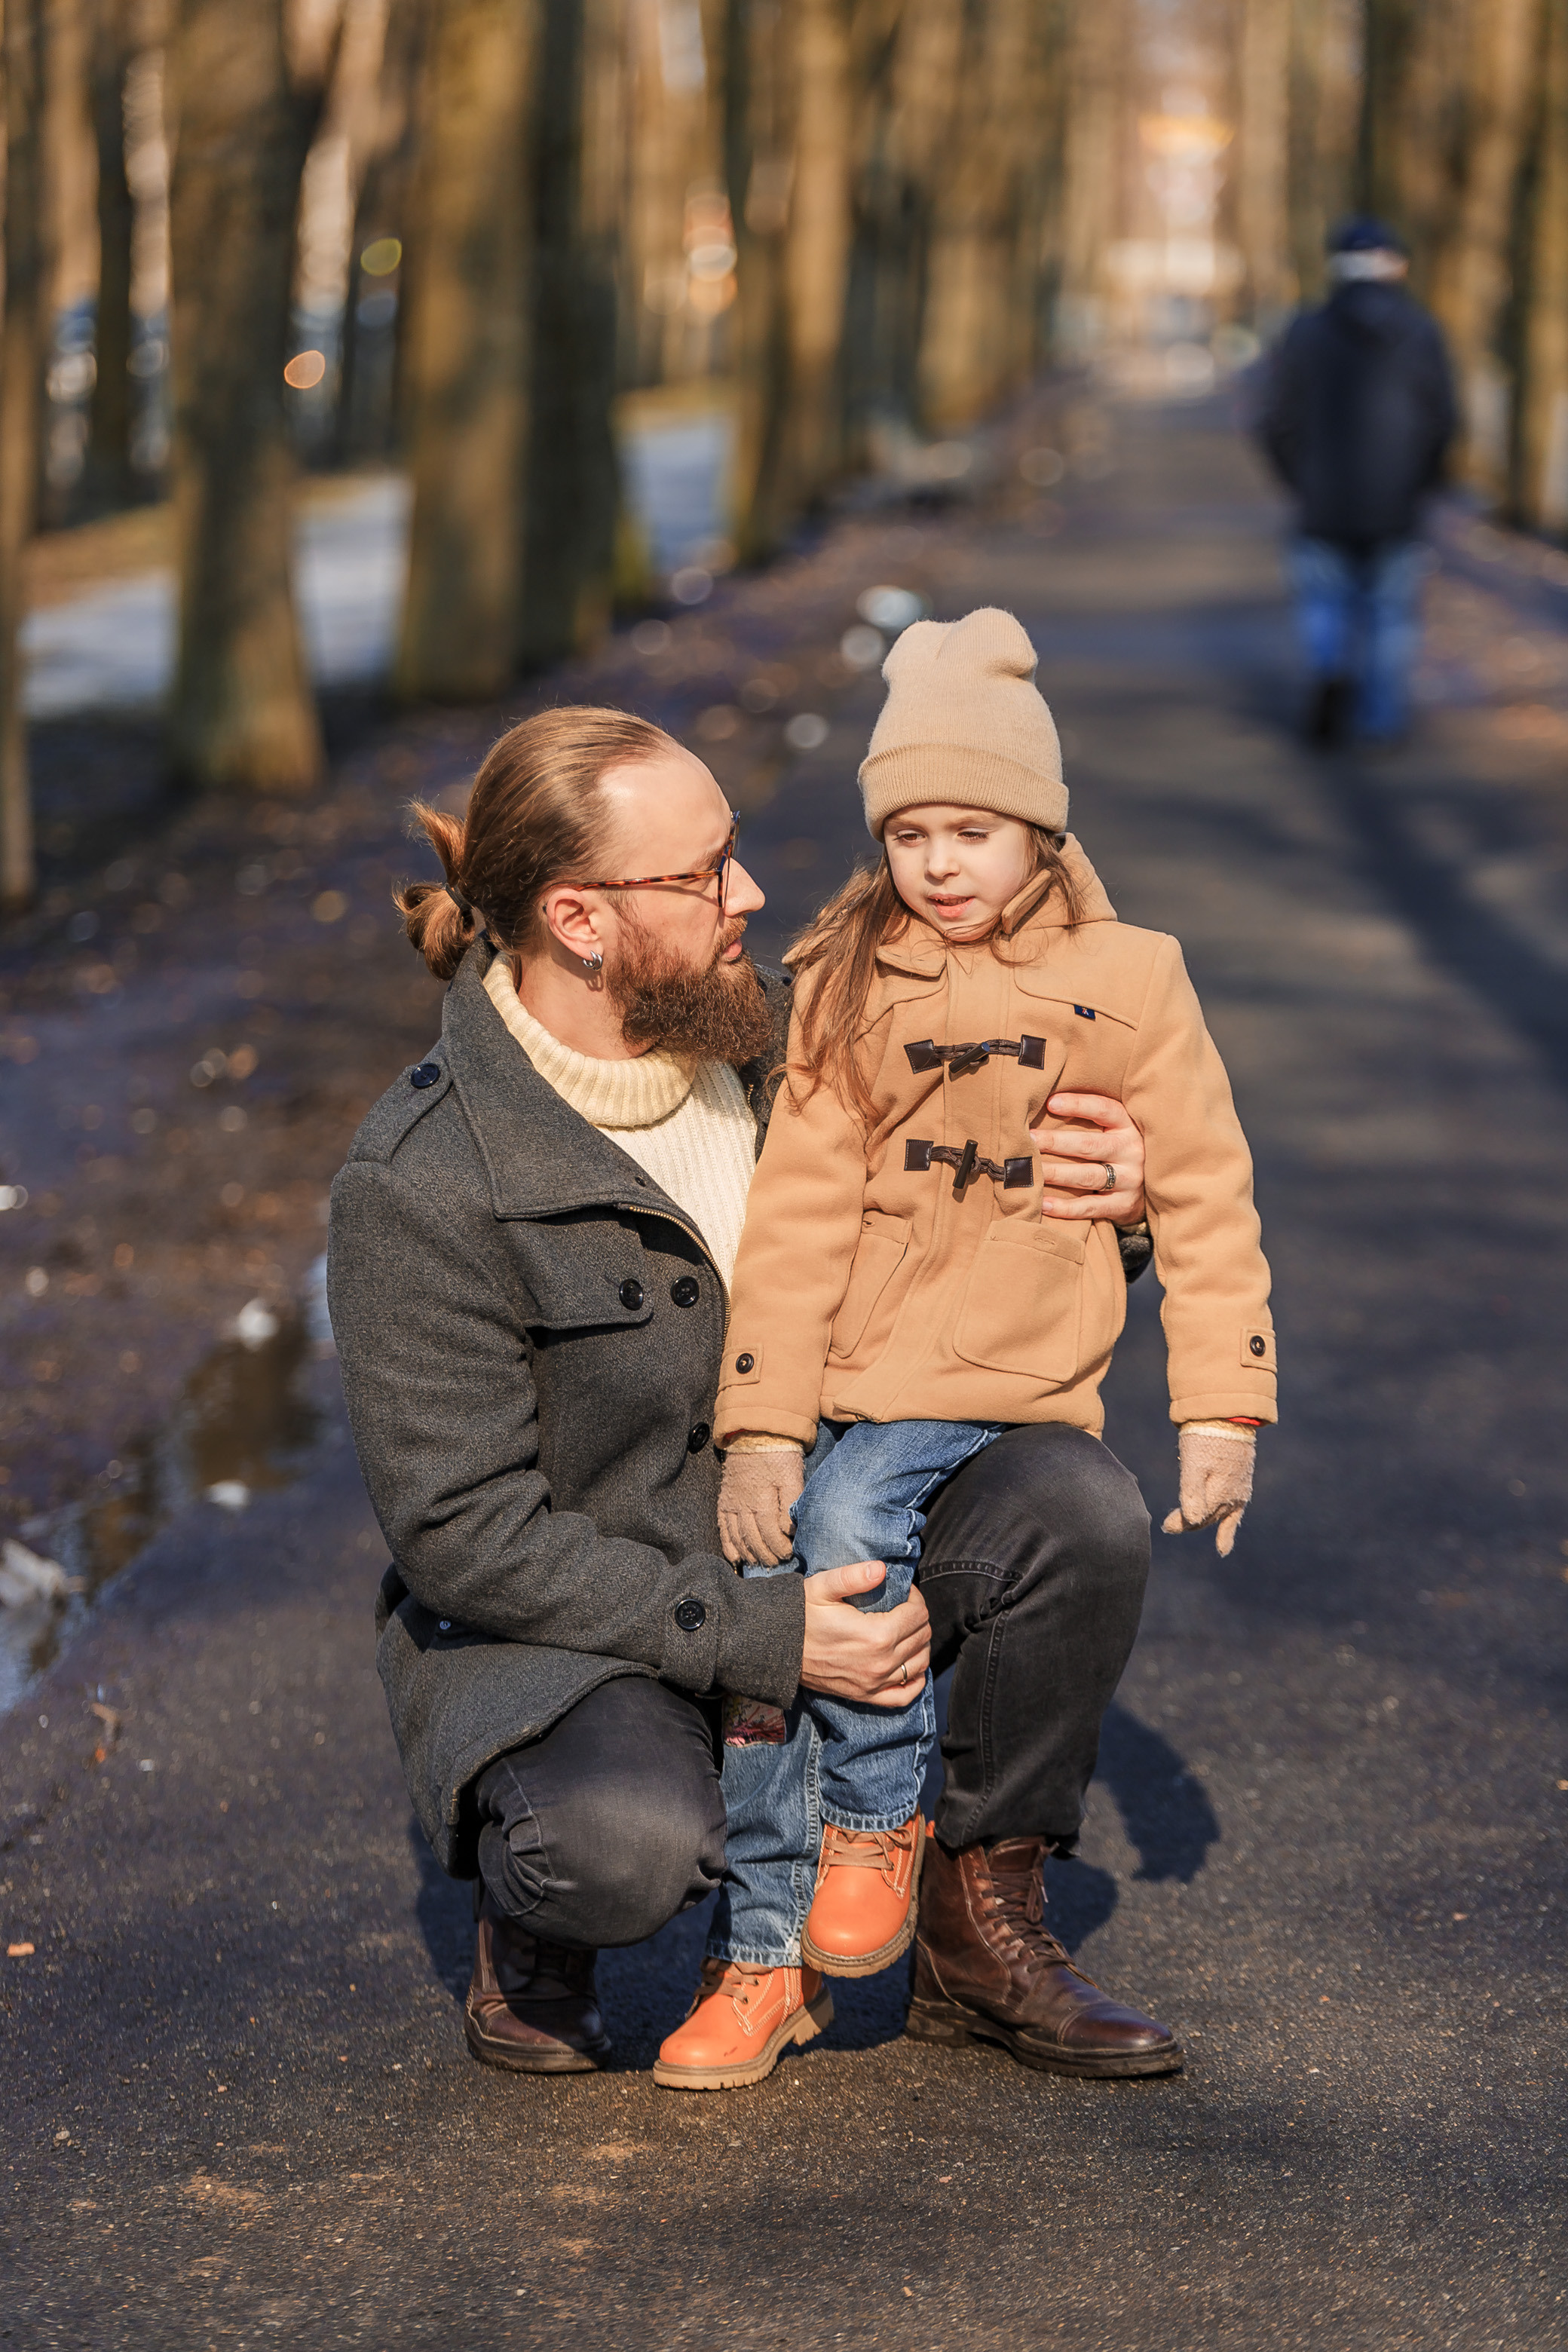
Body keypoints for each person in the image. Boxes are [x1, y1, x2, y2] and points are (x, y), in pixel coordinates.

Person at [327, 703, 1168, 2087]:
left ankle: (976, 1919)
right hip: (604, 1627)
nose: (754, 894)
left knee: (1073, 1507)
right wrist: (771, 1639)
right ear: (579, 921)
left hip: (841, 1522)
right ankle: (538, 1911)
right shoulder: (422, 1179)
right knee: (614, 1847)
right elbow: (463, 1536)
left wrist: (1111, 1203)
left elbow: (987, 1230)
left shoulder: (812, 1036)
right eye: (707, 871)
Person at [653, 608, 1276, 2077]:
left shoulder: (1132, 977)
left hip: (1008, 1379)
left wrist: (1222, 1409)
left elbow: (1204, 1190)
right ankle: (765, 1950)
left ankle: (892, 1835)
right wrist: (760, 1427)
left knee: (858, 1523)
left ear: (1040, 834)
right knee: (770, 1597)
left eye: (973, 831)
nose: (939, 864)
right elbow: (796, 1218)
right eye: (910, 833)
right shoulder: (846, 978)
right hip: (854, 1378)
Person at [1258, 214, 1456, 748]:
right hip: (1396, 505)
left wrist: (1300, 479)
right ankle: (1381, 721)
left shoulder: (1304, 332)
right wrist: (1421, 482)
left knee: (1325, 605)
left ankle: (1331, 674)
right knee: (1391, 615)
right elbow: (1443, 420)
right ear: (1397, 266)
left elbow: (1275, 421)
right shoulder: (1423, 332)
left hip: (1322, 501)